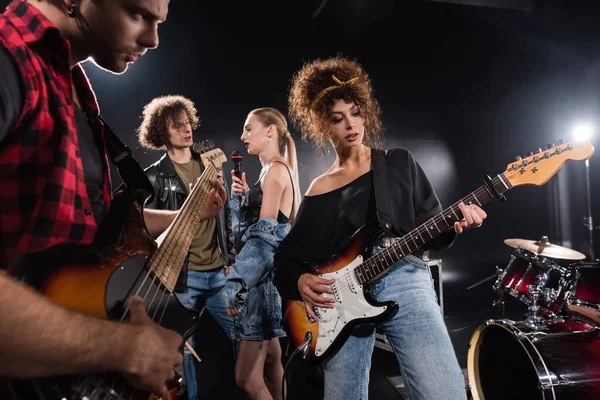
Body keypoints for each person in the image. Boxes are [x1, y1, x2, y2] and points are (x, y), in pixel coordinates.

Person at [0, 1, 226, 398]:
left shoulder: (75, 89)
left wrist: (189, 213)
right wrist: (122, 347)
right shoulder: (9, 62)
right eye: (138, 14)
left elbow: (98, 225)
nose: (153, 39)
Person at [273, 56, 487, 400]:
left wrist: (456, 223)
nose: (350, 125)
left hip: (405, 278)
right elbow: (285, 258)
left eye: (356, 113)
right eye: (337, 118)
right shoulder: (319, 188)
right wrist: (299, 281)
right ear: (323, 125)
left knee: (443, 393)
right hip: (341, 302)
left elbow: (430, 227)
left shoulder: (398, 162)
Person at [138, 94, 237, 400]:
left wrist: (230, 258)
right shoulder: (153, 176)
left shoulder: (208, 164)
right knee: (177, 351)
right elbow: (139, 227)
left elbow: (226, 216)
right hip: (182, 277)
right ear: (160, 133)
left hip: (219, 273)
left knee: (247, 337)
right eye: (176, 126)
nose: (186, 130)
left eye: (187, 123)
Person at [225, 107, 301, 399]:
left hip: (259, 287)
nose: (243, 136)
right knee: (271, 364)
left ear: (270, 131)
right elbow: (261, 226)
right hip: (267, 283)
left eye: (248, 128)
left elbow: (264, 241)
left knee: (246, 378)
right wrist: (242, 197)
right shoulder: (276, 170)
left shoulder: (276, 171)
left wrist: (235, 287)